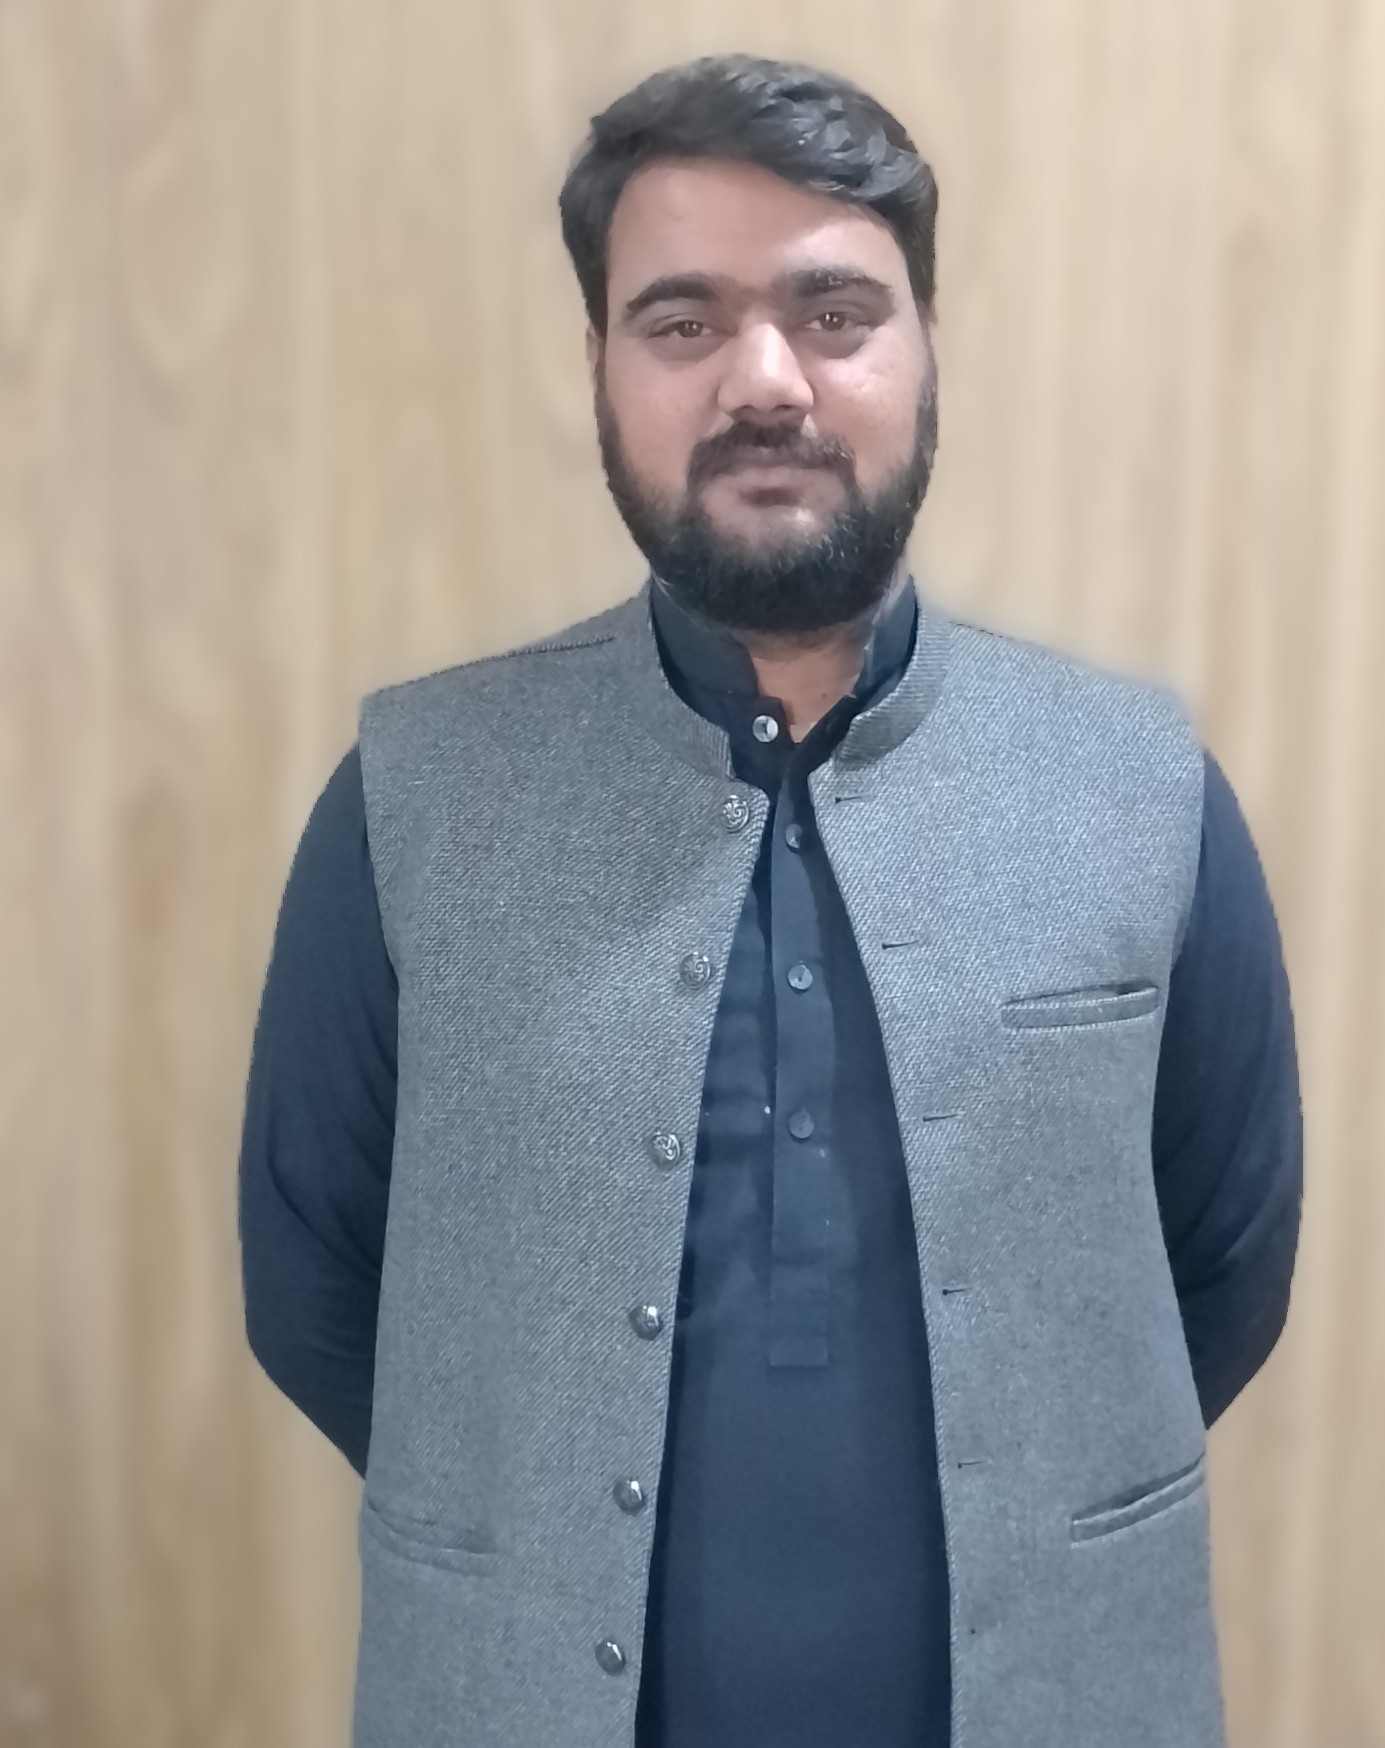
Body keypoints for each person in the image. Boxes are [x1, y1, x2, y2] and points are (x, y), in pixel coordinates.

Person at [237, 52, 1301, 1748]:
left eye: (833, 312)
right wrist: (536, 1501)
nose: (764, 379)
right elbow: (314, 1279)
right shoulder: (415, 801)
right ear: (597, 367)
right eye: (681, 321)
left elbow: (1221, 1264)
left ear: (927, 349)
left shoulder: (1137, 793)